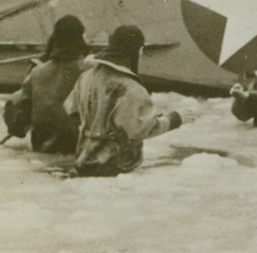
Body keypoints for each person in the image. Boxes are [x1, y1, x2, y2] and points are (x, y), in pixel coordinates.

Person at [64, 24, 182, 176]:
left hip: (83, 158)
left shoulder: (85, 78)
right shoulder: (132, 88)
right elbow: (139, 130)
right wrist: (176, 119)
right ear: (138, 51)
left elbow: (71, 111)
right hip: (115, 167)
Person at [18, 15, 90, 153]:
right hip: (75, 147)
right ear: (79, 39)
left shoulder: (36, 72)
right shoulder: (89, 72)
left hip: (41, 145)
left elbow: (19, 114)